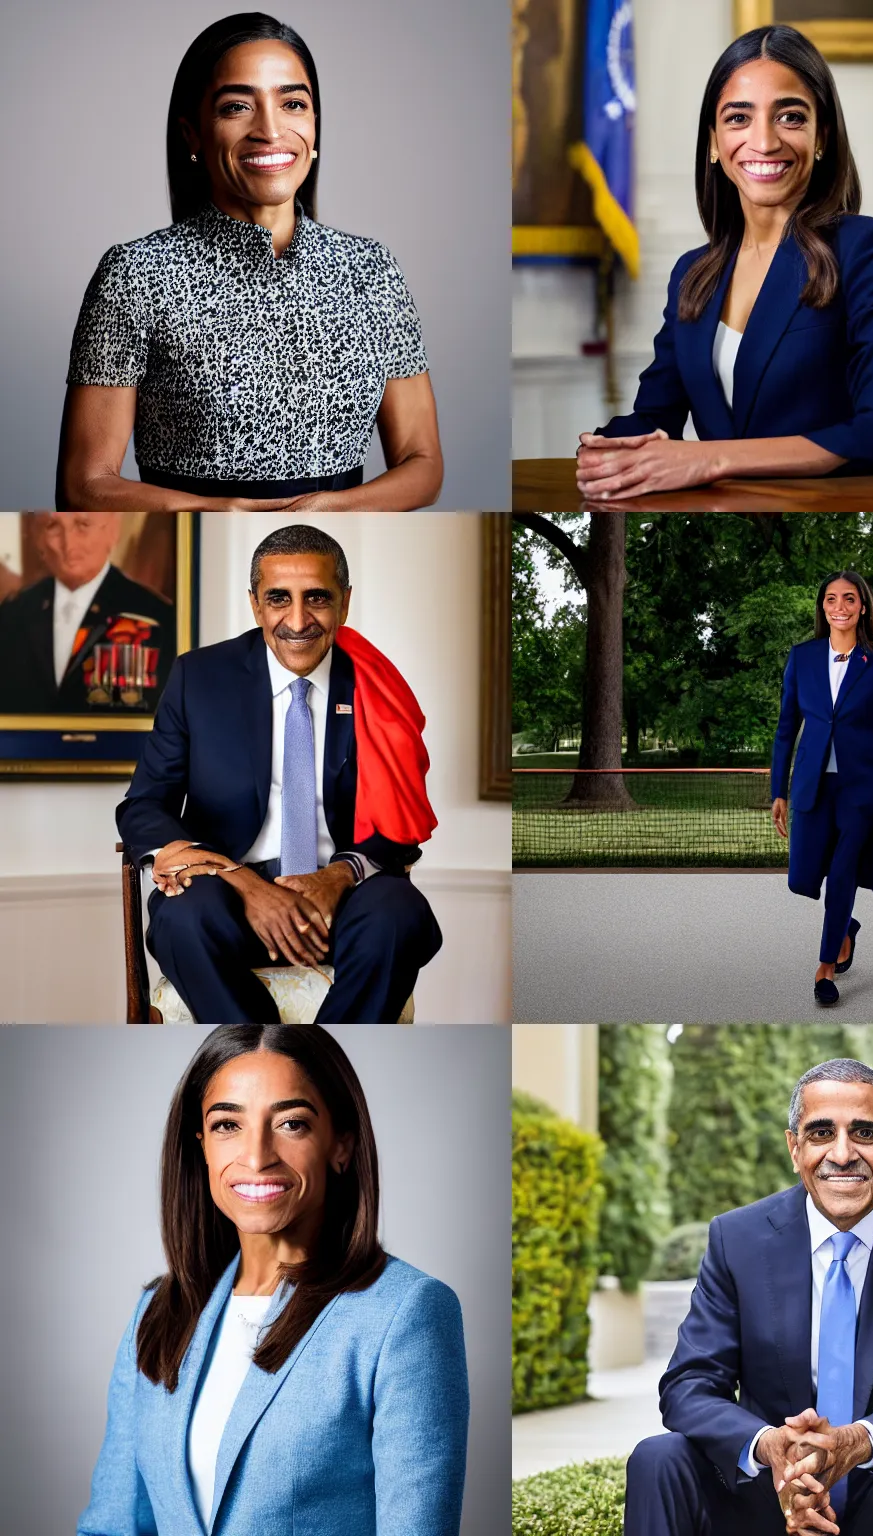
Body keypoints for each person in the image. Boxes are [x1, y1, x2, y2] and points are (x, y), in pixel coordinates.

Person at [78, 1025, 469, 1534]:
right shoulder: (157, 1313)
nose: (257, 1156)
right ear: (200, 1145)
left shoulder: (406, 1314)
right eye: (226, 1126)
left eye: (291, 1123)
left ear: (341, 1145)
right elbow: (112, 1526)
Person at [58, 13, 442, 511]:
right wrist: (218, 514)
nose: (270, 129)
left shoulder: (373, 271)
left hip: (344, 544)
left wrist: (331, 509)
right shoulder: (135, 275)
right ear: (192, 135)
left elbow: (423, 462)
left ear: (315, 126)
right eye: (237, 106)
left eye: (293, 104)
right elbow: (83, 485)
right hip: (198, 553)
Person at [625, 1058, 873, 1536]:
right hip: (764, 1502)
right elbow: (688, 1385)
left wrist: (857, 1441)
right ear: (794, 1148)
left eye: (865, 1133)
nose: (843, 1154)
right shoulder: (737, 1238)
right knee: (658, 1457)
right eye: (821, 1133)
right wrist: (770, 1447)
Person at [575, 25, 873, 501]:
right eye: (738, 118)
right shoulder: (692, 273)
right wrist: (609, 448)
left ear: (820, 135)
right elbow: (655, 416)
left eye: (789, 116)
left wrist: (712, 458)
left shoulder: (871, 249)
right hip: (721, 520)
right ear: (713, 143)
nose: (763, 142)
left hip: (832, 510)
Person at [116, 524, 441, 1023]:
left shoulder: (376, 684)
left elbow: (403, 824)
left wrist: (338, 876)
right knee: (182, 918)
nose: (297, 620)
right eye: (278, 599)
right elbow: (143, 804)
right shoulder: (198, 678)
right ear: (254, 605)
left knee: (399, 914)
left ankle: (330, 1054)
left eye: (317, 598)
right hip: (226, 892)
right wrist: (245, 883)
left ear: (345, 602)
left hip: (343, 893)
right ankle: (268, 1053)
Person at [770, 572, 873, 1007]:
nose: (840, 606)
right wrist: (778, 788)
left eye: (849, 599)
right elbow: (786, 728)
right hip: (812, 784)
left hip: (863, 788)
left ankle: (825, 968)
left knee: (843, 876)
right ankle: (846, 926)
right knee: (802, 878)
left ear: (862, 607)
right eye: (831, 598)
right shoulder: (802, 657)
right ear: (823, 607)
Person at [0, 513, 174, 714]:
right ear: (38, 538)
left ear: (112, 530)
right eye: (53, 526)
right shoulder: (13, 614)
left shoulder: (155, 615)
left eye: (82, 524)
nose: (68, 544)